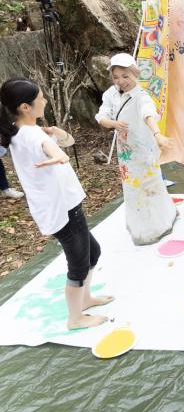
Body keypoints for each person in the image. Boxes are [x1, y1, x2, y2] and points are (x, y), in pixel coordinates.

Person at [0, 78, 112, 329]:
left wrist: (58, 138)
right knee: (79, 264)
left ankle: (85, 300)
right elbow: (51, 148)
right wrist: (57, 153)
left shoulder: (25, 130)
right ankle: (75, 318)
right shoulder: (29, 134)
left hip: (66, 204)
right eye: (40, 97)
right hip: (61, 210)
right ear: (25, 107)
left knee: (92, 253)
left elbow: (64, 143)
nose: (45, 100)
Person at [96, 53, 177, 245]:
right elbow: (101, 116)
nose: (121, 81)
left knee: (151, 184)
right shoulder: (110, 94)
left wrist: (157, 135)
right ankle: (140, 227)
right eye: (116, 77)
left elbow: (148, 114)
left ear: (135, 74)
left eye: (125, 76)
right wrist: (113, 123)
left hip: (144, 149)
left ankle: (160, 223)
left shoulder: (141, 96)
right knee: (132, 188)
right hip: (126, 152)